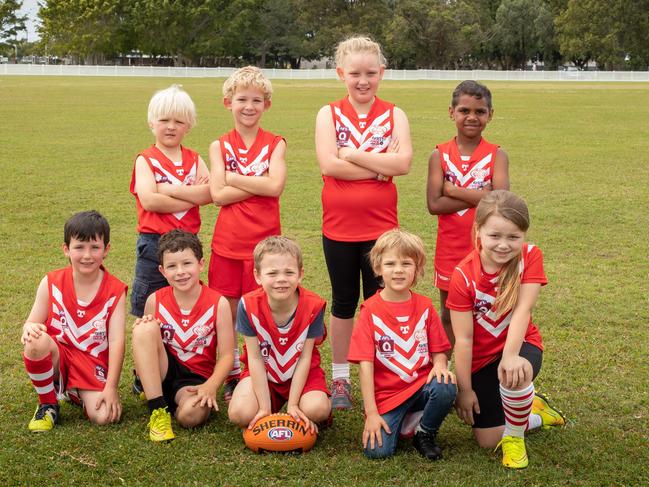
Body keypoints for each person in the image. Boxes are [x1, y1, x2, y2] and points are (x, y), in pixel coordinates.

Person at [315, 36, 413, 409]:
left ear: (381, 74)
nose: (362, 81)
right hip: (338, 229)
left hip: (382, 232)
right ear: (341, 73)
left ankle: (384, 378)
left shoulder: (394, 114)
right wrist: (377, 166)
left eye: (370, 73)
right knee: (343, 303)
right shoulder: (328, 113)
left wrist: (353, 154)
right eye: (354, 73)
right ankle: (341, 380)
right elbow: (328, 164)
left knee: (379, 303)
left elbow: (402, 164)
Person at [447, 190, 565, 469]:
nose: (503, 245)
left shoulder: (530, 256)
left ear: (524, 235)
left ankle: (514, 437)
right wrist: (464, 389)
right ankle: (534, 412)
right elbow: (463, 339)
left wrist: (511, 355)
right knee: (487, 440)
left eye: (513, 237)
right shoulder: (463, 275)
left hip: (521, 344)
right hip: (482, 360)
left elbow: (523, 310)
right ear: (478, 231)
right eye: (494, 236)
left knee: (516, 371)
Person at [209, 66, 287, 402]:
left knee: (261, 307)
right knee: (226, 310)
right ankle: (232, 370)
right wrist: (258, 184)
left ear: (266, 105)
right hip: (227, 242)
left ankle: (262, 370)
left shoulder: (276, 143)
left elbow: (275, 187)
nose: (249, 106)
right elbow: (216, 195)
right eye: (242, 99)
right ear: (228, 102)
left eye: (256, 100)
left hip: (264, 246)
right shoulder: (219, 145)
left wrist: (234, 179)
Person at [348, 229, 456, 459]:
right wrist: (371, 413)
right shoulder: (369, 311)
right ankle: (405, 420)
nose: (398, 270)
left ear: (417, 269)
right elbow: (365, 366)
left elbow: (439, 352)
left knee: (445, 384)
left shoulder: (425, 307)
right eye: (390, 264)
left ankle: (424, 432)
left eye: (406, 263)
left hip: (420, 389)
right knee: (377, 452)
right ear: (377, 268)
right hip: (388, 398)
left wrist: (439, 365)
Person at [21, 210, 127, 431]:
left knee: (105, 416)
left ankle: (75, 391)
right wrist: (29, 328)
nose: (87, 255)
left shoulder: (115, 290)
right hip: (60, 353)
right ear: (66, 249)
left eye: (94, 247)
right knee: (35, 341)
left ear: (106, 250)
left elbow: (117, 342)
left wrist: (111, 387)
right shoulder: (51, 282)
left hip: (92, 362)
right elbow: (31, 322)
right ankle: (48, 404)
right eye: (79, 247)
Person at [427, 80, 509, 350]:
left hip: (486, 249)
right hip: (450, 249)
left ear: (490, 115)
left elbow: (500, 201)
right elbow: (435, 204)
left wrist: (454, 189)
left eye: (480, 111)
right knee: (450, 314)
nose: (472, 117)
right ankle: (448, 371)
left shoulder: (497, 155)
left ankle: (482, 367)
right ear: (452, 112)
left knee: (486, 311)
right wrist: (480, 195)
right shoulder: (439, 154)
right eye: (464, 110)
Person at [131, 229, 234, 442]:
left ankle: (170, 404)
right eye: (172, 266)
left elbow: (226, 355)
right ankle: (157, 410)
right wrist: (142, 331)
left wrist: (211, 385)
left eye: (187, 263)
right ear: (162, 270)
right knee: (143, 328)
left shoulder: (219, 303)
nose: (180, 272)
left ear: (201, 264)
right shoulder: (155, 300)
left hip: (194, 380)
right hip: (164, 369)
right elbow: (144, 345)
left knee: (190, 416)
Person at [228, 236, 331, 433]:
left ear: (300, 274)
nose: (281, 279)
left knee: (317, 410)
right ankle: (268, 405)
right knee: (239, 413)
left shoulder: (314, 305)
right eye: (272, 273)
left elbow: (304, 357)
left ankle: (305, 404)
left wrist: (293, 404)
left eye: (289, 272)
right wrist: (264, 408)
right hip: (264, 374)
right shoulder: (247, 305)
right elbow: (255, 358)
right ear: (258, 276)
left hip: (303, 373)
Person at [129, 84, 211, 318]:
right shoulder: (145, 159)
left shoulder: (194, 158)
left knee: (183, 303)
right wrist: (189, 195)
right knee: (149, 306)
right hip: (154, 243)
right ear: (152, 123)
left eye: (179, 121)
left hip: (188, 242)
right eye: (164, 120)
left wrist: (168, 189)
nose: (171, 127)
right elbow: (150, 201)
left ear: (189, 126)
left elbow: (209, 194)